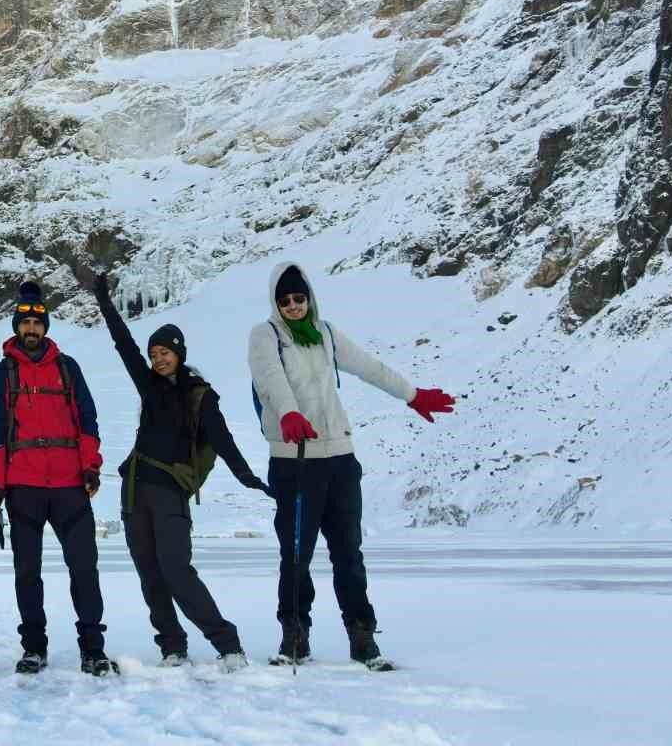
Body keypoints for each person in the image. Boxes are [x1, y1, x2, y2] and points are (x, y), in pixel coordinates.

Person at [248, 261, 456, 671]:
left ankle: (362, 637)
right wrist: (289, 414)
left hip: (340, 459)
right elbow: (270, 379)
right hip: (295, 461)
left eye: (299, 298)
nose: (293, 306)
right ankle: (295, 636)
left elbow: (368, 366)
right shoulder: (265, 336)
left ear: (309, 298)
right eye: (285, 300)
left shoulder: (324, 333)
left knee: (348, 554)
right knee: (295, 554)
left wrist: (412, 395)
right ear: (276, 302)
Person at [92, 272, 271, 672]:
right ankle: (172, 646)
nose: (158, 359)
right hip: (135, 491)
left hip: (170, 493)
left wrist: (248, 477)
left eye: (165, 352)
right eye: (154, 353)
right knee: (150, 574)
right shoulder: (149, 386)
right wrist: (103, 299)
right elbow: (123, 344)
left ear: (180, 352)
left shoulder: (199, 396)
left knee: (176, 570)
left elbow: (222, 441)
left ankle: (228, 644)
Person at [0, 280, 116, 676]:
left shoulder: (67, 368)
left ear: (46, 327)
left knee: (84, 568)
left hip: (70, 485)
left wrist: (90, 465)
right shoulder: (1, 374)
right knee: (27, 571)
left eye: (38, 323)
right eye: (25, 323)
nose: (31, 331)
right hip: (23, 488)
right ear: (16, 327)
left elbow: (87, 420)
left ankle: (93, 647)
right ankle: (34, 647)